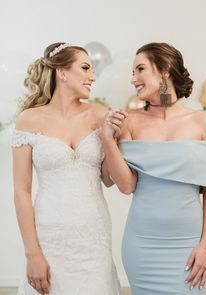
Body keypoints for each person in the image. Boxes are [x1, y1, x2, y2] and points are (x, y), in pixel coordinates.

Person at [101, 42, 206, 295]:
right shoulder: (129, 121)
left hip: (188, 246)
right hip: (142, 245)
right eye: (132, 72)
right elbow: (124, 185)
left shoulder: (203, 122)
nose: (133, 79)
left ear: (165, 70)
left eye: (140, 69)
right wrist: (107, 139)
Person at [11, 42, 122, 295]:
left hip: (94, 237)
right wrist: (32, 254)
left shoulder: (100, 115)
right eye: (85, 68)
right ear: (62, 72)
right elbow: (21, 192)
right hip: (49, 237)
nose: (92, 77)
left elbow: (109, 180)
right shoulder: (29, 119)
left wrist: (108, 138)